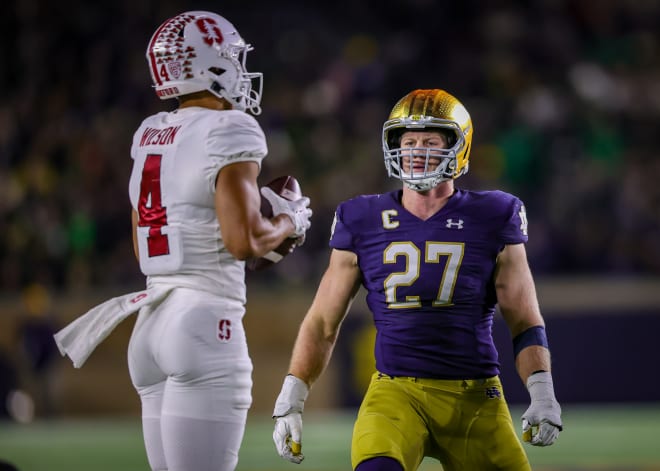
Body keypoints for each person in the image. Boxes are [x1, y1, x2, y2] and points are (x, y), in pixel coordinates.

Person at [54, 10, 312, 471]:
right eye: (232, 58)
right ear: (210, 65)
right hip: (204, 324)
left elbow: (143, 247)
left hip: (151, 321)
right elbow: (244, 241)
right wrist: (289, 221)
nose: (239, 68)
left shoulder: (150, 133)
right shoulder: (230, 127)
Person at [272, 89, 562, 471]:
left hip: (475, 398)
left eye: (430, 141)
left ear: (458, 147)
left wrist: (542, 391)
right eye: (408, 142)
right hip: (395, 393)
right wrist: (292, 395)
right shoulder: (360, 217)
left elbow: (523, 318)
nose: (417, 151)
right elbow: (323, 322)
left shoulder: (494, 213)